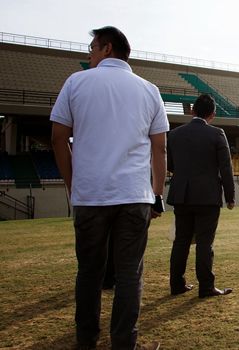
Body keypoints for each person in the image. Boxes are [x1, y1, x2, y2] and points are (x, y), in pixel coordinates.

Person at [51, 26, 168, 349]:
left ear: (107, 48)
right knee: (130, 274)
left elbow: (58, 138)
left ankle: (86, 340)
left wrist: (73, 184)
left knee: (89, 271)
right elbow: (160, 148)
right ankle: (123, 343)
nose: (88, 55)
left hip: (91, 194)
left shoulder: (76, 83)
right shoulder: (149, 90)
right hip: (133, 195)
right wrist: (157, 194)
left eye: (92, 48)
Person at [167, 94, 235, 298]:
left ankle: (176, 284)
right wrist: (230, 196)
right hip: (207, 196)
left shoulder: (175, 134)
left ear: (192, 111)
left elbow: (170, 165)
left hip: (182, 195)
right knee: (205, 243)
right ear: (212, 114)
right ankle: (206, 286)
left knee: (181, 241)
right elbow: (226, 168)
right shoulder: (216, 134)